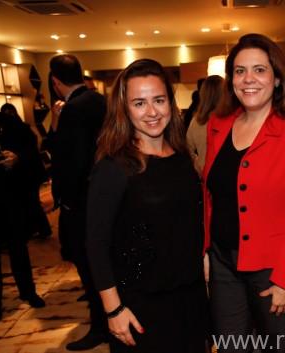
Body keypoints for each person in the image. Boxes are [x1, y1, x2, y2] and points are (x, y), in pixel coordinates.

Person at [203, 33, 285, 352]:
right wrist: (205, 251)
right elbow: (210, 197)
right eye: (240, 71)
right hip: (222, 263)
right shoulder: (218, 125)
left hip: (274, 268)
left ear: (277, 78)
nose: (248, 79)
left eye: (259, 69)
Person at [86, 58, 207, 353]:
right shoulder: (113, 168)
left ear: (170, 102)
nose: (152, 112)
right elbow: (95, 245)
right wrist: (113, 311)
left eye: (159, 100)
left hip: (189, 298)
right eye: (139, 103)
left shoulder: (181, 158)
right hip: (140, 305)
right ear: (124, 110)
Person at [44, 54, 108, 350]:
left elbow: (72, 162)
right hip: (105, 194)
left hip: (82, 202)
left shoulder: (72, 109)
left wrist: (67, 202)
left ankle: (100, 327)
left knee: (89, 266)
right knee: (103, 263)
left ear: (55, 82)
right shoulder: (100, 101)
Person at [0, 110, 45, 322]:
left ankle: (28, 291)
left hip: (10, 197)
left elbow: (31, 150)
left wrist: (17, 158)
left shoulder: (8, 123)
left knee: (18, 248)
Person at [0, 103, 51, 239]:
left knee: (32, 202)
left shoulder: (22, 129)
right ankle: (40, 229)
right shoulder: (17, 128)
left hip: (29, 172)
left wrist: (17, 157)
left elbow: (32, 151)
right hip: (25, 173)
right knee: (31, 202)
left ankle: (42, 229)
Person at [187, 75, 224, 175]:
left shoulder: (197, 120)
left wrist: (199, 164)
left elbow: (187, 149)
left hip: (205, 174)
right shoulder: (229, 120)